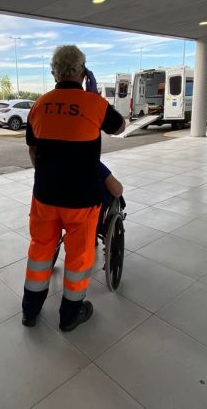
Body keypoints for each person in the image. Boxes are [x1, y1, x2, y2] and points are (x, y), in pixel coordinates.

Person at [22, 45, 125, 332]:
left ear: (53, 72)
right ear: (83, 71)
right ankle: (70, 314)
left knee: (40, 250)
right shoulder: (94, 104)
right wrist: (92, 96)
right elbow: (119, 127)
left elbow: (33, 152)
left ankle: (30, 311)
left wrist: (48, 176)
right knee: (79, 258)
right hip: (82, 198)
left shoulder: (39, 105)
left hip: (45, 195)